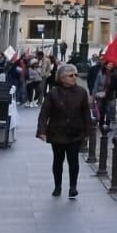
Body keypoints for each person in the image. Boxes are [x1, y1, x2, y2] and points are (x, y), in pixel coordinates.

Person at [36, 63, 91, 198]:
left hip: (75, 132)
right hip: (57, 132)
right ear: (61, 78)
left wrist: (87, 133)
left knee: (73, 161)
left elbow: (86, 114)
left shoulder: (81, 93)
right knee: (58, 161)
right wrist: (42, 131)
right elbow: (44, 113)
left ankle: (73, 187)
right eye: (71, 75)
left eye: (75, 75)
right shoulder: (53, 93)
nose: (74, 78)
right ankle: (58, 186)